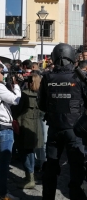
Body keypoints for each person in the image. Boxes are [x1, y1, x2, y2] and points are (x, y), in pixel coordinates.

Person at [38, 43, 87, 200]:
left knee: (50, 169)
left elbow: (41, 104)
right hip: (75, 129)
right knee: (76, 170)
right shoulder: (79, 77)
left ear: (53, 57)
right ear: (72, 57)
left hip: (54, 129)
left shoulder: (47, 77)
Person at [0, 63, 21, 200]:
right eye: (2, 72)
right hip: (3, 128)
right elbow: (15, 100)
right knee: (4, 163)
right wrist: (17, 86)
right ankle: (3, 194)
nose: (4, 75)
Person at [11, 73, 43, 189]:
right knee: (30, 152)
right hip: (36, 125)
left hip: (25, 124)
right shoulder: (41, 94)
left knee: (24, 152)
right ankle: (31, 177)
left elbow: (16, 110)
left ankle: (30, 178)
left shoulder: (25, 94)